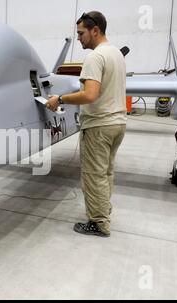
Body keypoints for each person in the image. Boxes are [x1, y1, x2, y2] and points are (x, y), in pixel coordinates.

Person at [47, 11, 127, 237]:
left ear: (95, 30)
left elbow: (89, 95)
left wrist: (59, 99)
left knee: (93, 175)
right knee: (106, 173)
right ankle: (104, 208)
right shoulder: (116, 54)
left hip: (99, 125)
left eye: (82, 33)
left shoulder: (95, 57)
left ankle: (99, 223)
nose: (79, 38)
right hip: (118, 123)